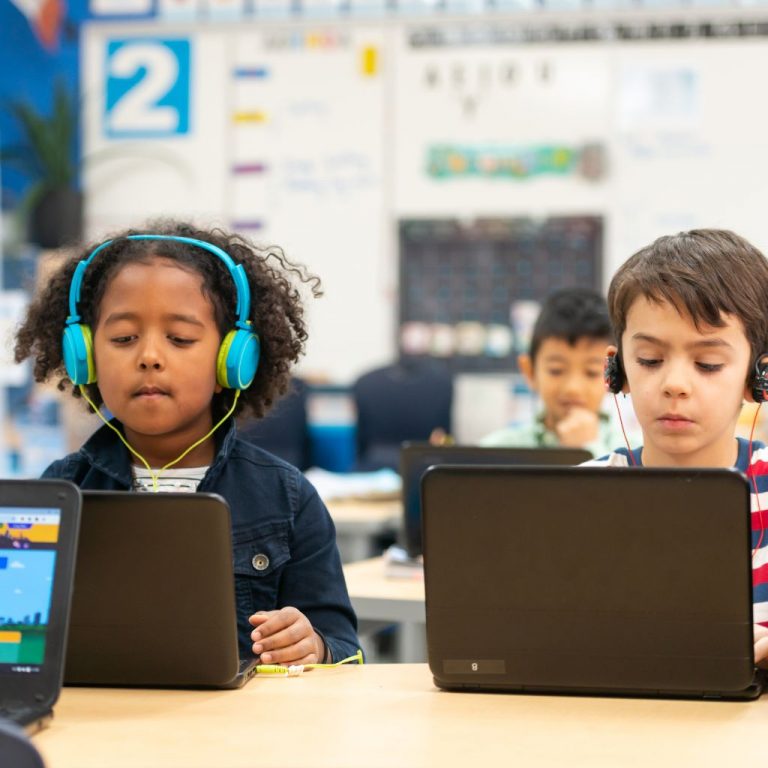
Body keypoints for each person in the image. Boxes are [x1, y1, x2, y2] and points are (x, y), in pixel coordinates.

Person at [13, 220, 359, 666]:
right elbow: (20, 646)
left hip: (237, 732)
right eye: (123, 338)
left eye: (179, 339)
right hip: (99, 730)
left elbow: (346, 649)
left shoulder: (287, 499)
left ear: (232, 361)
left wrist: (313, 645)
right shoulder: (59, 492)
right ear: (85, 357)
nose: (150, 356)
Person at [589, 228, 768, 667]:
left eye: (708, 364)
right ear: (618, 370)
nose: (675, 385)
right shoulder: (577, 498)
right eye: (650, 360)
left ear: (757, 377)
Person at [480, 287, 632, 456]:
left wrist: (589, 449)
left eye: (591, 372)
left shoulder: (636, 454)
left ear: (613, 374)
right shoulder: (494, 452)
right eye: (556, 371)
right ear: (529, 371)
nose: (573, 388)